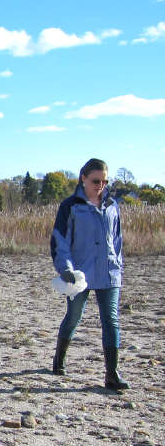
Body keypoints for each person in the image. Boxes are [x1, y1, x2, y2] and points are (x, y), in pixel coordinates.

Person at [50, 158, 127, 390]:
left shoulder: (113, 205)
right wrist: (65, 269)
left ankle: (112, 373)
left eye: (104, 181)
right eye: (96, 181)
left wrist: (118, 265)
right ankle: (59, 359)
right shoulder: (70, 206)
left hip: (108, 271)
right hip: (79, 273)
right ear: (83, 178)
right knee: (74, 316)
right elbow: (60, 240)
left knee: (111, 319)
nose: (100, 185)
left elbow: (117, 239)